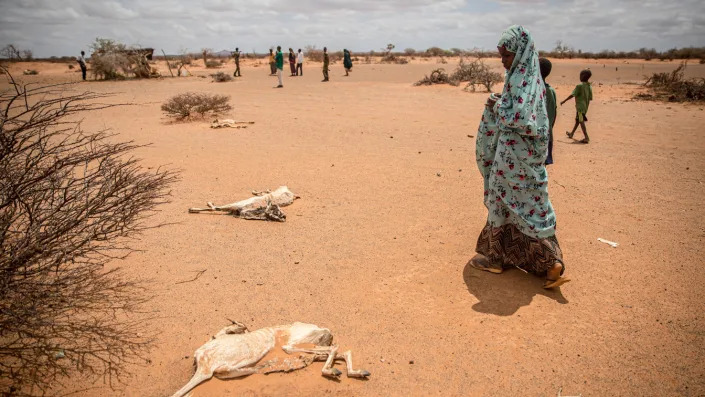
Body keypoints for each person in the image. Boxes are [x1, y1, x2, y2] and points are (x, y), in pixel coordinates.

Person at [471, 25, 568, 289]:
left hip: (514, 159)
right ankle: (547, 263)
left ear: (521, 53)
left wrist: (496, 104)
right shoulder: (532, 81)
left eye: (507, 55)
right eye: (501, 56)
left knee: (508, 204)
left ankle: (499, 258)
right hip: (524, 160)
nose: (503, 61)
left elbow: (522, 119)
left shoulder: (521, 80)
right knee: (529, 207)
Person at [561, 69, 593, 144]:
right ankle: (572, 133)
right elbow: (590, 98)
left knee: (581, 121)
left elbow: (572, 95)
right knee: (577, 120)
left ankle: (586, 137)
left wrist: (564, 101)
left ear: (583, 76)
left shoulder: (579, 86)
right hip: (585, 107)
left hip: (580, 107)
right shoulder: (589, 86)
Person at [539, 58, 557, 165]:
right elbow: (554, 113)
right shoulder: (550, 91)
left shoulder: (541, 91)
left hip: (541, 135)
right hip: (548, 134)